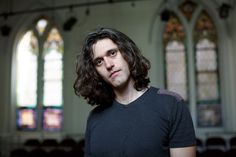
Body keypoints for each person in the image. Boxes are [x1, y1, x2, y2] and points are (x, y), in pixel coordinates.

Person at [73, 27, 196, 157]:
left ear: (127, 53)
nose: (108, 64)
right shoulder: (94, 118)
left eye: (112, 53)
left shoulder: (172, 105)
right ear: (95, 72)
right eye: (99, 61)